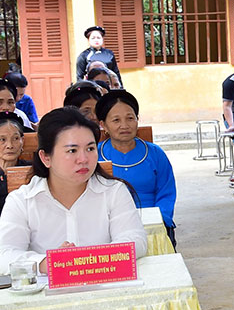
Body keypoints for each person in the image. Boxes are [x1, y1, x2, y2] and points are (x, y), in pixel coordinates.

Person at [0, 107, 147, 273]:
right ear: (46, 157)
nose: (83, 159)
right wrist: (48, 263)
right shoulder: (22, 201)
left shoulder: (114, 191)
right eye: (72, 150)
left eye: (90, 149)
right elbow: (5, 255)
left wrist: (87, 259)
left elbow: (136, 240)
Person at [96, 90, 178, 245]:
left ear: (137, 119)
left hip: (154, 224)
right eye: (116, 120)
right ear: (103, 125)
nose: (124, 125)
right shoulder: (94, 155)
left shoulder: (155, 153)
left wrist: (158, 220)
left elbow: (166, 192)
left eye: (130, 118)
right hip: (110, 226)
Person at [0, 113, 31, 216]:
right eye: (2, 140)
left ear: (23, 141)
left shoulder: (33, 171)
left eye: (16, 138)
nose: (10, 145)